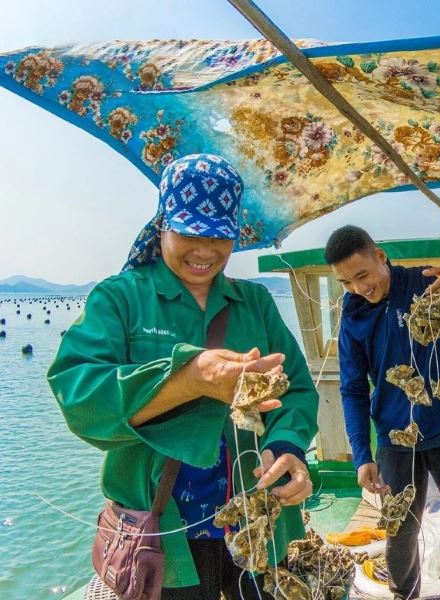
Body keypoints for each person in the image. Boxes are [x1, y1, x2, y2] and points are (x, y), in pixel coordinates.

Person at [47, 154, 319, 599]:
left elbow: (299, 389)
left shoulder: (255, 303)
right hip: (163, 530)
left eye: (219, 236)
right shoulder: (120, 299)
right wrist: (190, 377)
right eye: (189, 232)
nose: (205, 250)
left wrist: (287, 446)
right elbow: (78, 394)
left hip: (259, 521)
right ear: (162, 225)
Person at [326, 225, 440, 600]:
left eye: (362, 275)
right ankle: (403, 595)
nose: (359, 288)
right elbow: (353, 389)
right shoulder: (353, 313)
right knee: (399, 531)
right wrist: (362, 455)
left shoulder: (425, 282)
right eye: (346, 282)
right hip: (395, 439)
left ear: (380, 256)